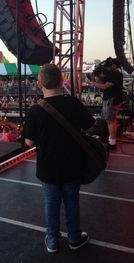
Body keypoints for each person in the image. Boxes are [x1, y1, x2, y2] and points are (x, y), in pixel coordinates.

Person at [23, 64, 94, 253]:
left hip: (48, 168)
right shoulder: (73, 103)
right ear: (62, 81)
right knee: (72, 202)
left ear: (39, 84)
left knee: (51, 204)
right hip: (72, 165)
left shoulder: (35, 111)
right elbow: (90, 125)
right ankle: (74, 238)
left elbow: (29, 142)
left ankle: (53, 241)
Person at [89, 57, 123, 150]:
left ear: (113, 66)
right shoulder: (111, 74)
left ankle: (112, 143)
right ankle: (109, 139)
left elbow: (104, 86)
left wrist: (93, 83)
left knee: (110, 121)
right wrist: (95, 77)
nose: (106, 69)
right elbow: (102, 83)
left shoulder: (116, 75)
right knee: (107, 120)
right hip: (108, 99)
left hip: (112, 100)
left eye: (108, 67)